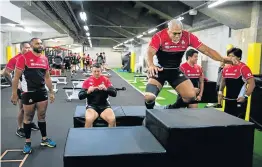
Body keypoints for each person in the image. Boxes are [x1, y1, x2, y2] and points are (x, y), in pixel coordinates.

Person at [145, 19, 238, 109]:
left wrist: (223, 59)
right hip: (160, 70)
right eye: (174, 33)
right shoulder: (159, 36)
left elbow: (207, 50)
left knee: (191, 96)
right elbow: (149, 52)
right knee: (149, 97)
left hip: (175, 71)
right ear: (168, 31)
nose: (177, 36)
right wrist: (151, 65)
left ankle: (170, 108)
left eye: (179, 33)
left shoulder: (188, 36)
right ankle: (150, 111)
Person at [11, 38, 56, 154]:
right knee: (28, 117)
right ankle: (28, 142)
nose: (40, 45)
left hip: (41, 91)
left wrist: (51, 91)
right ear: (31, 46)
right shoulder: (23, 58)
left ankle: (44, 139)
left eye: (41, 43)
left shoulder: (44, 59)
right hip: (28, 92)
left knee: (42, 115)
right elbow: (16, 78)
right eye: (37, 43)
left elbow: (47, 77)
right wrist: (14, 93)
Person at [3, 42, 39, 137]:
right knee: (23, 109)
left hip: (31, 87)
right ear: (21, 48)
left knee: (32, 107)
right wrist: (15, 85)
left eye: (29, 48)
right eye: (26, 48)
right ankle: (19, 128)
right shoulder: (15, 59)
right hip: (21, 88)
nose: (28, 50)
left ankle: (28, 123)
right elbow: (6, 73)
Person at [218, 47, 255, 119]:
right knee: (227, 122)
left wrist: (245, 96)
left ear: (239, 57)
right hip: (228, 100)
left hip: (239, 100)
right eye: (228, 56)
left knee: (238, 124)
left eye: (232, 56)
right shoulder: (226, 68)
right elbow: (223, 81)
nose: (229, 58)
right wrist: (220, 91)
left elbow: (252, 84)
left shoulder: (243, 68)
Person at [78, 63, 117, 128]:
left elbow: (114, 93)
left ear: (101, 71)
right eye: (95, 71)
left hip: (104, 105)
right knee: (89, 119)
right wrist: (88, 92)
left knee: (112, 119)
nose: (96, 73)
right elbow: (80, 96)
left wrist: (106, 89)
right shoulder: (87, 81)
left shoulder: (106, 80)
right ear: (92, 71)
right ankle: (88, 137)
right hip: (92, 106)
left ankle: (110, 137)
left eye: (98, 71)